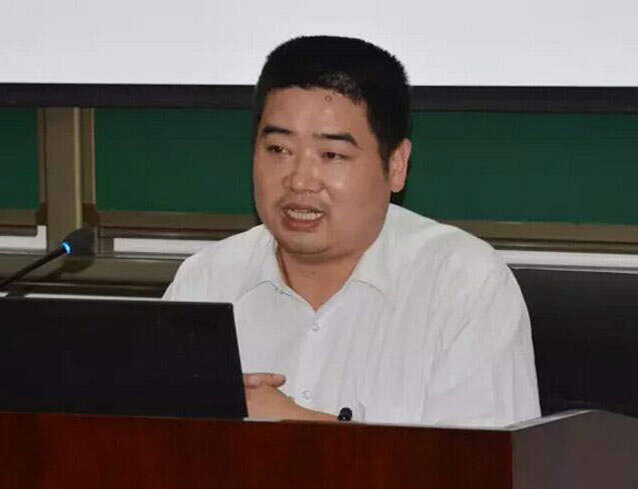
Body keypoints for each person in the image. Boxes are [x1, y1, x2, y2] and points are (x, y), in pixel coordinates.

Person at [164, 36, 540, 426]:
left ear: (396, 164)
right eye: (278, 150)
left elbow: (481, 461)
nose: (300, 181)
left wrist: (296, 428)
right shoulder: (204, 282)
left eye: (332, 155)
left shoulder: (464, 286)